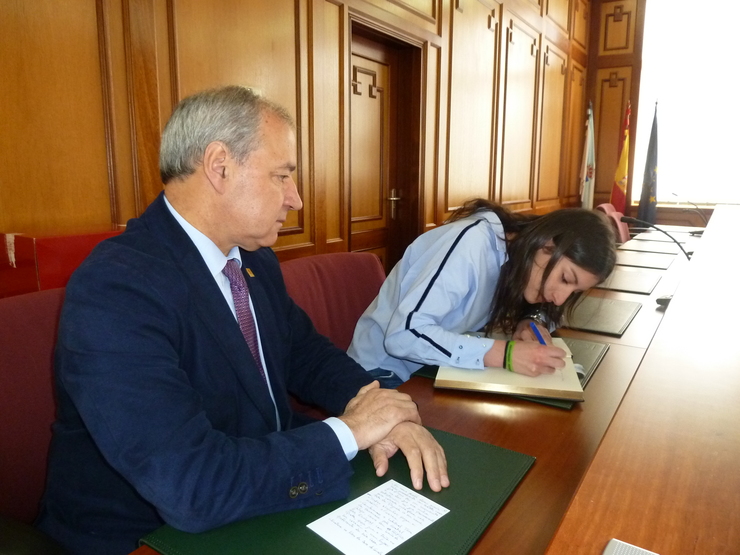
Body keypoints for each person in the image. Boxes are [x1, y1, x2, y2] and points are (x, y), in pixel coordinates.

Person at [36, 86, 448, 555]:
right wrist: (351, 432)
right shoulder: (117, 288)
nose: (295, 198)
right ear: (219, 166)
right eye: (281, 176)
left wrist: (382, 412)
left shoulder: (250, 259)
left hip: (256, 494)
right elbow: (190, 486)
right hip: (144, 534)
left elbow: (303, 353)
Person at [348, 199, 616, 385]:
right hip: (381, 374)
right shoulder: (471, 244)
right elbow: (402, 336)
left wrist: (531, 319)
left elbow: (541, 309)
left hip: (432, 369)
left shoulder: (516, 254)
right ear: (546, 245)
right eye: (565, 279)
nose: (560, 298)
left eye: (574, 291)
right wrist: (505, 354)